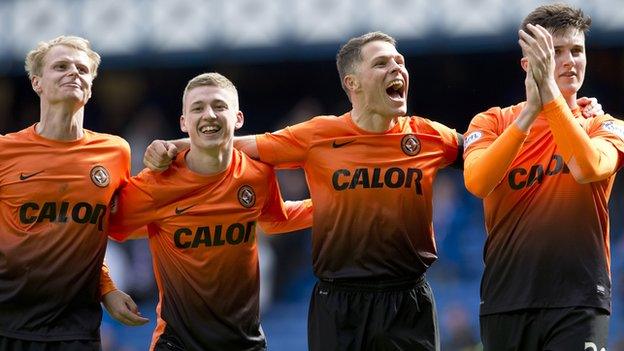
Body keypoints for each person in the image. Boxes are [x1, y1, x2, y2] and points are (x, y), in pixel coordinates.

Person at [145, 32, 464, 351]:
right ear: (352, 83)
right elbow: (233, 145)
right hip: (339, 303)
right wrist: (171, 148)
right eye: (381, 63)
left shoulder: (430, 136)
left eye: (400, 62)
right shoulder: (319, 135)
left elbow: (484, 155)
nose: (397, 69)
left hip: (407, 301)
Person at [109, 72, 312, 351]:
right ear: (184, 122)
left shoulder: (257, 174)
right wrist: (105, 288)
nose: (209, 115)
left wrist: (336, 203)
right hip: (178, 343)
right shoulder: (155, 183)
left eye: (219, 106)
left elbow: (276, 220)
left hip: (244, 341)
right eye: (197, 108)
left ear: (238, 118)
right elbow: (94, 230)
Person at [463, 4, 624, 350]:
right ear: (529, 64)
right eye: (556, 52)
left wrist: (550, 99)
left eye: (577, 51)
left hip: (579, 299)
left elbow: (588, 168)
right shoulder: (491, 123)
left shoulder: (602, 124)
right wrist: (531, 113)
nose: (569, 61)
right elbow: (477, 182)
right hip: (506, 298)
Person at [0, 35, 148, 351]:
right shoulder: (5, 151)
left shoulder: (114, 151)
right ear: (37, 82)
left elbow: (90, 235)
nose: (73, 73)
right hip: (6, 325)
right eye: (61, 66)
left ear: (91, 86)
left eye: (82, 68)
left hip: (76, 330)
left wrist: (106, 289)